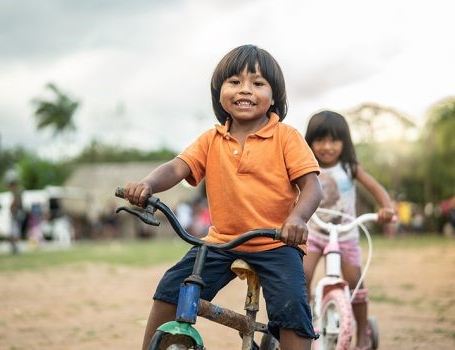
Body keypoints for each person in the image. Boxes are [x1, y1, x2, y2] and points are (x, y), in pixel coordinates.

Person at [122, 44, 322, 350]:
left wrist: (297, 219)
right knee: (172, 287)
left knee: (292, 306)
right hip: (222, 242)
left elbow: (312, 187)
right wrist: (147, 185)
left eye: (257, 83)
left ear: (274, 96)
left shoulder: (286, 136)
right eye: (235, 82)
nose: (245, 90)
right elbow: (178, 167)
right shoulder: (211, 139)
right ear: (220, 92)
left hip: (276, 242)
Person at [303, 110, 395, 350]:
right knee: (302, 275)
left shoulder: (350, 167)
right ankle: (304, 322)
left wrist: (386, 207)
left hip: (345, 235)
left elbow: (375, 187)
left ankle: (362, 332)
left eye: (334, 140)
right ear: (309, 142)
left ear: (344, 142)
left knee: (355, 282)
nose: (327, 146)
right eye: (320, 140)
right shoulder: (306, 166)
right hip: (314, 233)